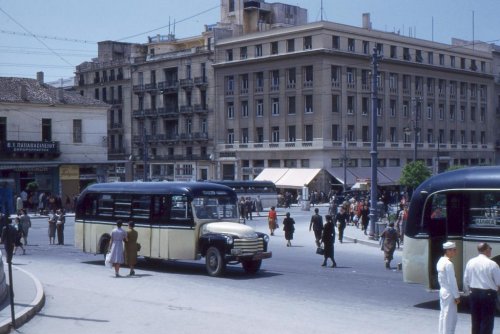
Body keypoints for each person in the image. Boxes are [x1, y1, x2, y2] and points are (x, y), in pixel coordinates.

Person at [463, 242, 500, 334]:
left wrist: (469, 291)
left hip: (474, 293)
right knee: (487, 321)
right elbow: (498, 282)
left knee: (475, 320)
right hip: (488, 294)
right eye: (490, 248)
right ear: (486, 250)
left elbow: (465, 280)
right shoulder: (492, 264)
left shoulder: (470, 262)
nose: (491, 250)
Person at [437, 241, 460, 334]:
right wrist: (457, 296)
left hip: (443, 290)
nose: (455, 252)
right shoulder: (449, 264)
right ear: (448, 251)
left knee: (443, 315)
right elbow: (452, 281)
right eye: (454, 250)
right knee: (450, 317)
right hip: (449, 292)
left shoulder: (440, 260)